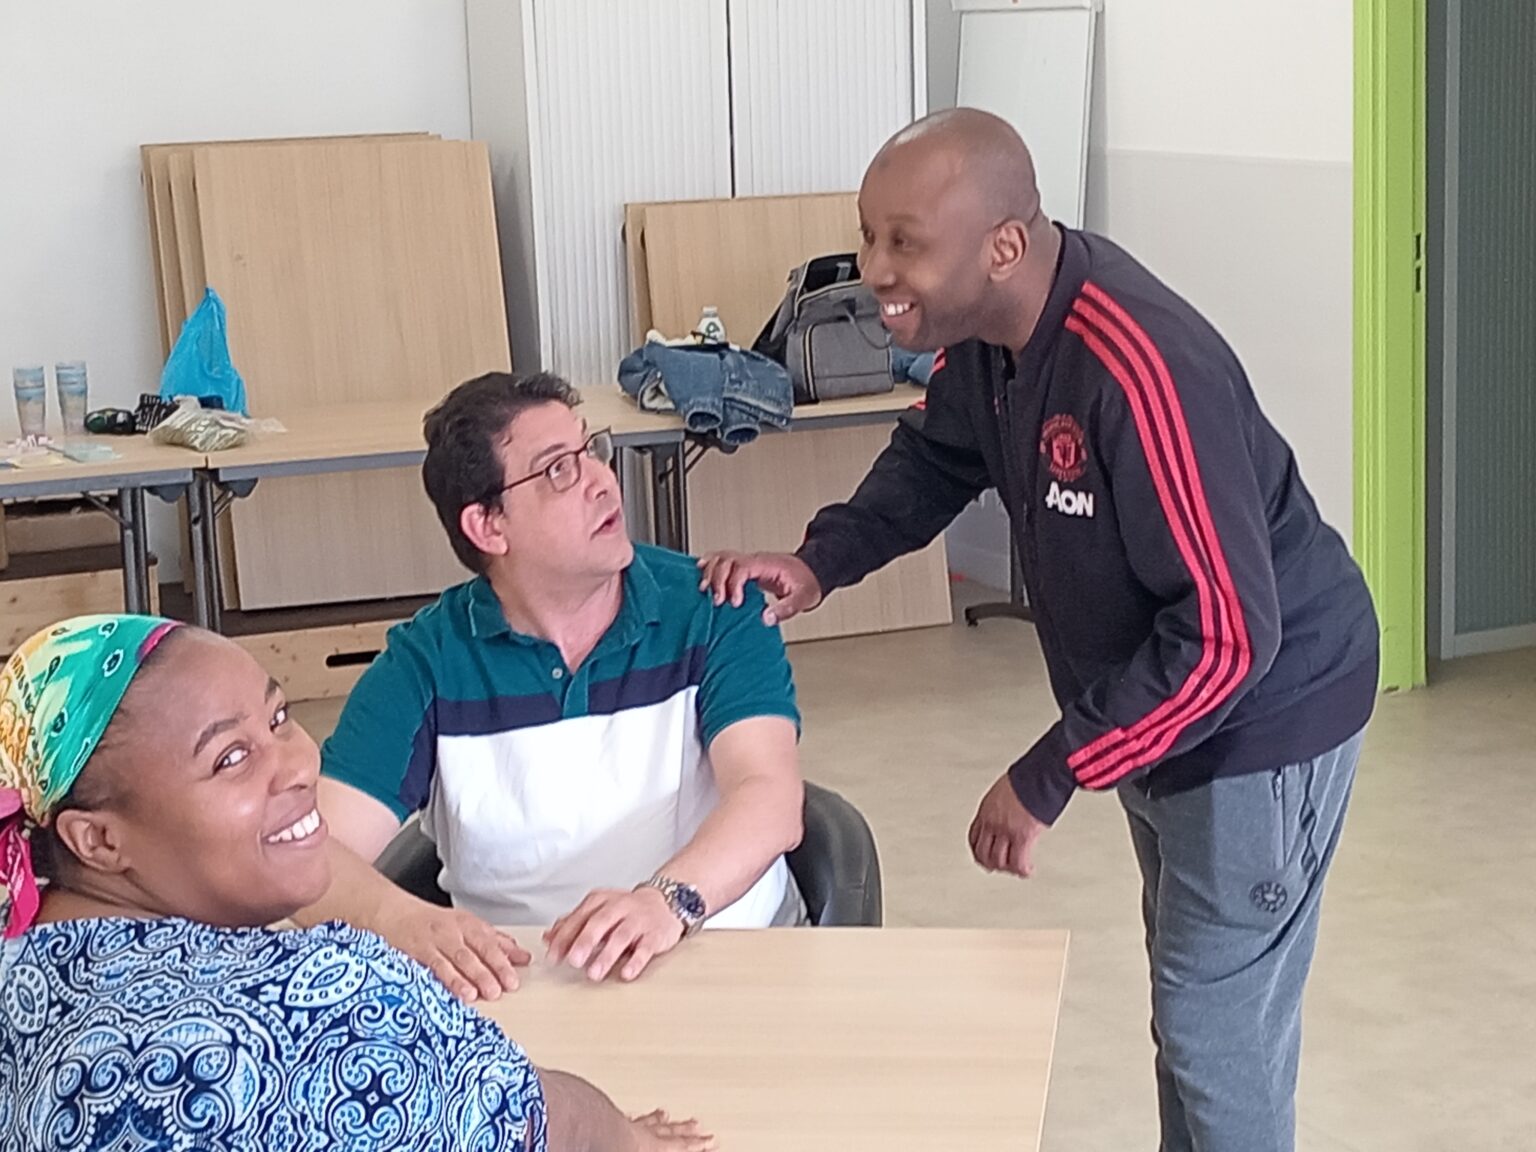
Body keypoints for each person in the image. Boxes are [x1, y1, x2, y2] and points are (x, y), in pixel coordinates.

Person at [699, 109, 1379, 1152]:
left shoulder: (1140, 370)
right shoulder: (986, 342)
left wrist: (1049, 774)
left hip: (1260, 717)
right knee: (1191, 1010)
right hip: (1166, 703)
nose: (875, 271)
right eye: (869, 235)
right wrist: (820, 562)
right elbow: (935, 460)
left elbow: (1230, 638)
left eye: (905, 243)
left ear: (1003, 247)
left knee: (1215, 1032)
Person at [0, 614, 713, 1151]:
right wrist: (628, 1138)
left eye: (280, 718)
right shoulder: (319, 1008)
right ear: (98, 840)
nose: (299, 763)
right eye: (230, 758)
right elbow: (537, 1122)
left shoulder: (24, 976)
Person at [300, 371, 805, 1001]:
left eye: (591, 449)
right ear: (488, 526)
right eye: (559, 470)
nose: (603, 480)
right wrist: (400, 918)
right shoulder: (427, 663)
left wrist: (665, 902)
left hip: (730, 963)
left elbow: (769, 796)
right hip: (524, 993)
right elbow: (306, 854)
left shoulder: (714, 607)